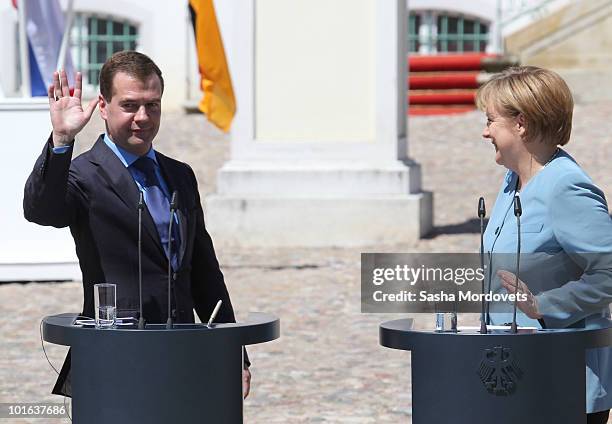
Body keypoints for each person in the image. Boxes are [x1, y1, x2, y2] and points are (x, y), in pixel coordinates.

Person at [23, 51, 250, 398]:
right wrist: (62, 142)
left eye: (152, 105)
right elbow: (42, 210)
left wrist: (234, 352)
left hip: (183, 353)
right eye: (129, 105)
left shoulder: (180, 175)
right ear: (103, 105)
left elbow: (204, 270)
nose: (143, 117)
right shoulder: (84, 175)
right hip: (115, 357)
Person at [477, 66, 612, 424]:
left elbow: (608, 274)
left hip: (562, 384)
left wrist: (544, 305)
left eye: (491, 120)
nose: (485, 131)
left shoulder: (565, 187)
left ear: (520, 123)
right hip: (511, 375)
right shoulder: (512, 182)